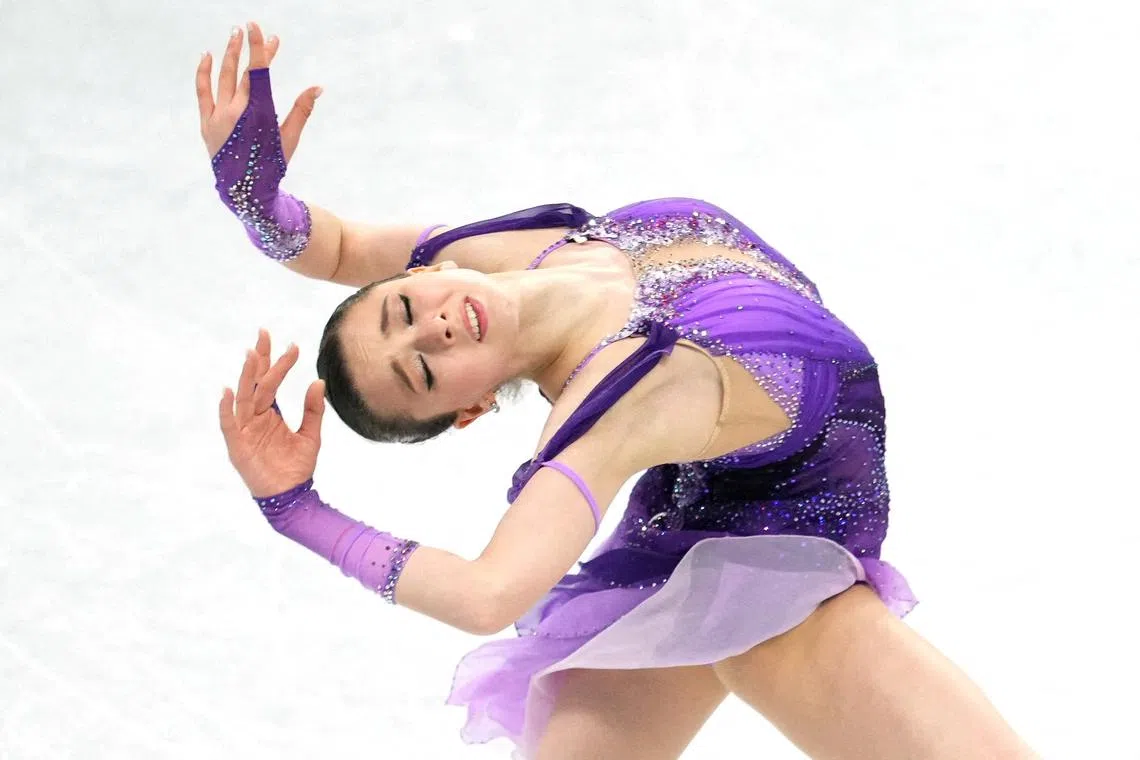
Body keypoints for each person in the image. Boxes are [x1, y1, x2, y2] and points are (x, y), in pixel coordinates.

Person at [203, 22, 1039, 760]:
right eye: (422, 369)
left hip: (728, 488)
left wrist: (254, 201)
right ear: (469, 409)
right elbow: (489, 592)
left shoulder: (518, 250)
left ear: (426, 273)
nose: (432, 329)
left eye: (403, 308)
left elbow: (341, 245)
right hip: (788, 530)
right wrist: (295, 510)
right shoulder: (604, 408)